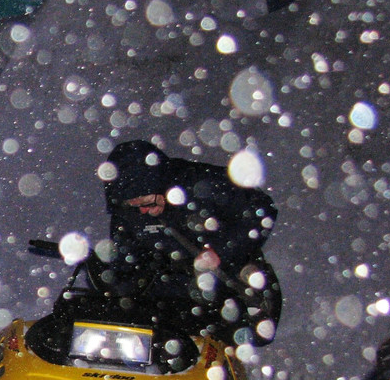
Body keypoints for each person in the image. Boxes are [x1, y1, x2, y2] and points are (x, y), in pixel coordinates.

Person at [95, 140, 280, 345]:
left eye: (147, 202)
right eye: (134, 205)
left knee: (238, 341)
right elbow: (124, 264)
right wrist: (114, 290)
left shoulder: (201, 184)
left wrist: (220, 251)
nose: (143, 211)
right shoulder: (128, 214)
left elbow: (262, 210)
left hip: (228, 287)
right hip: (172, 298)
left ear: (159, 185)